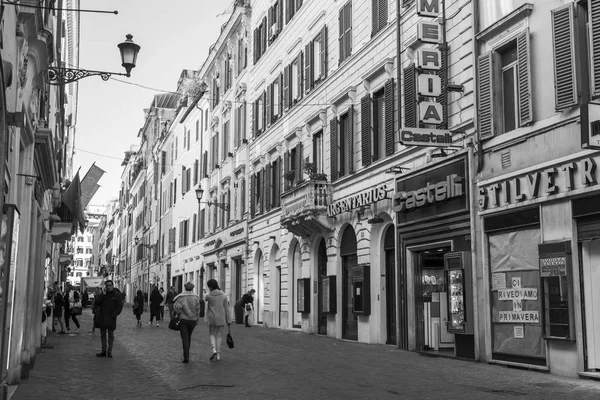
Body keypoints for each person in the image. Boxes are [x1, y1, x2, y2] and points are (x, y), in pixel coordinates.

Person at [173, 282, 203, 363]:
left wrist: (179, 312)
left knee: (185, 338)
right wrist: (197, 320)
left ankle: (186, 356)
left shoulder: (181, 297)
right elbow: (198, 310)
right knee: (189, 336)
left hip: (184, 319)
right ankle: (187, 353)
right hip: (193, 320)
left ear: (185, 288)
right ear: (192, 288)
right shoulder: (196, 298)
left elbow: (176, 308)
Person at [94, 280, 124, 358]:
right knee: (103, 335)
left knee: (111, 335)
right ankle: (104, 351)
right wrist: (103, 295)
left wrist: (114, 314)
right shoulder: (103, 294)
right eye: (107, 285)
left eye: (110, 285)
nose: (108, 287)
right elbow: (97, 302)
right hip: (103, 317)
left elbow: (119, 306)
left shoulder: (117, 295)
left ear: (112, 285)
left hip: (111, 318)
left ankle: (109, 351)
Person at [205, 279, 232, 361]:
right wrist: (229, 321)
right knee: (219, 335)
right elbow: (227, 309)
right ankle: (219, 354)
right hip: (221, 317)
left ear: (210, 287)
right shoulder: (223, 295)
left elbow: (205, 300)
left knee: (212, 334)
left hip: (212, 317)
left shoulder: (208, 296)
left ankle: (214, 349)